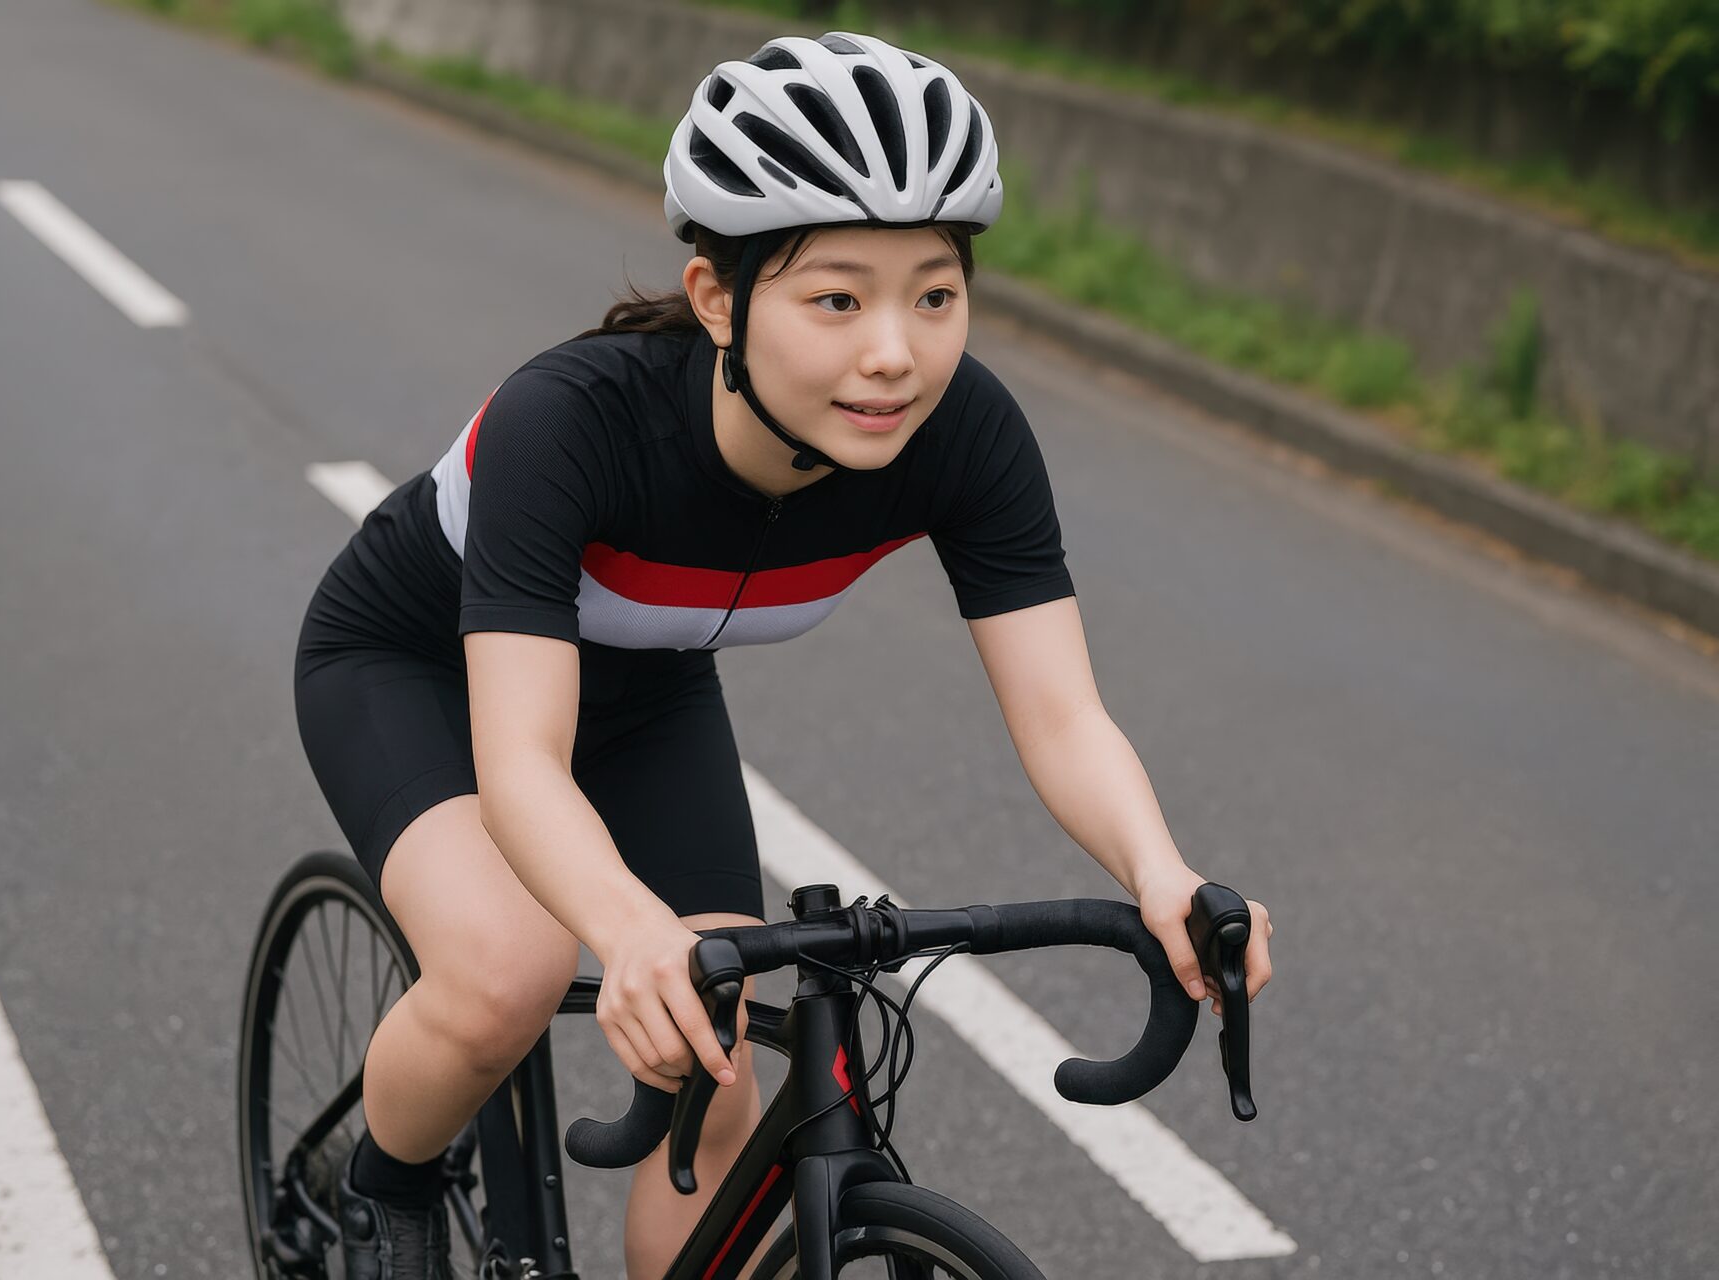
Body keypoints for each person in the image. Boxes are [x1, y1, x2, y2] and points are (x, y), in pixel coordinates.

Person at [293, 29, 1274, 1280]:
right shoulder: (571, 421)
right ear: (718, 298)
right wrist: (629, 929)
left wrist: (1161, 869)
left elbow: (1064, 715)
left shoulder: (962, 432)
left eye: (935, 295)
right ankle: (380, 1191)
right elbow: (523, 756)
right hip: (416, 667)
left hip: (646, 686)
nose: (895, 352)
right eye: (837, 299)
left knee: (713, 1057)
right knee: (509, 972)